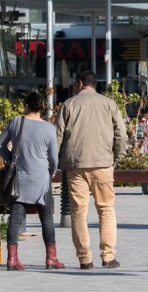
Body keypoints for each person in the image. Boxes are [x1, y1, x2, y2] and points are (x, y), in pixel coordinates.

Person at [55, 71, 128, 270]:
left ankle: (84, 259)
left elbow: (57, 136)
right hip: (103, 163)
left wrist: (55, 162)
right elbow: (121, 134)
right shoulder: (108, 104)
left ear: (79, 84)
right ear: (94, 84)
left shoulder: (69, 105)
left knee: (79, 212)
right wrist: (116, 157)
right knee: (106, 209)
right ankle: (108, 256)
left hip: (75, 165)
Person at [0, 91, 63, 271]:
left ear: (26, 105)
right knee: (47, 218)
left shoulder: (17, 122)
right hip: (41, 179)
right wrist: (51, 173)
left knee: (15, 218)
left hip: (20, 178)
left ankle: (12, 258)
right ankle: (51, 258)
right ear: (42, 107)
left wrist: (10, 159)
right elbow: (54, 159)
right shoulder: (49, 128)